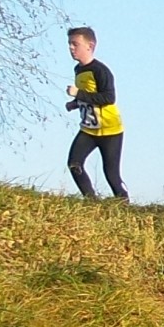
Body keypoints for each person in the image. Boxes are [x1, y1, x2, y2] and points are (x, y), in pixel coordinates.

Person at [64, 26, 127, 201]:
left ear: (89, 46)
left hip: (110, 130)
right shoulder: (78, 70)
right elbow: (90, 95)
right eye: (69, 44)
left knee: (111, 174)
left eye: (75, 44)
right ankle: (91, 202)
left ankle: (124, 204)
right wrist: (75, 104)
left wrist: (78, 94)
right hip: (89, 130)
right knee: (74, 164)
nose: (71, 48)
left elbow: (108, 97)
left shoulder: (100, 70)